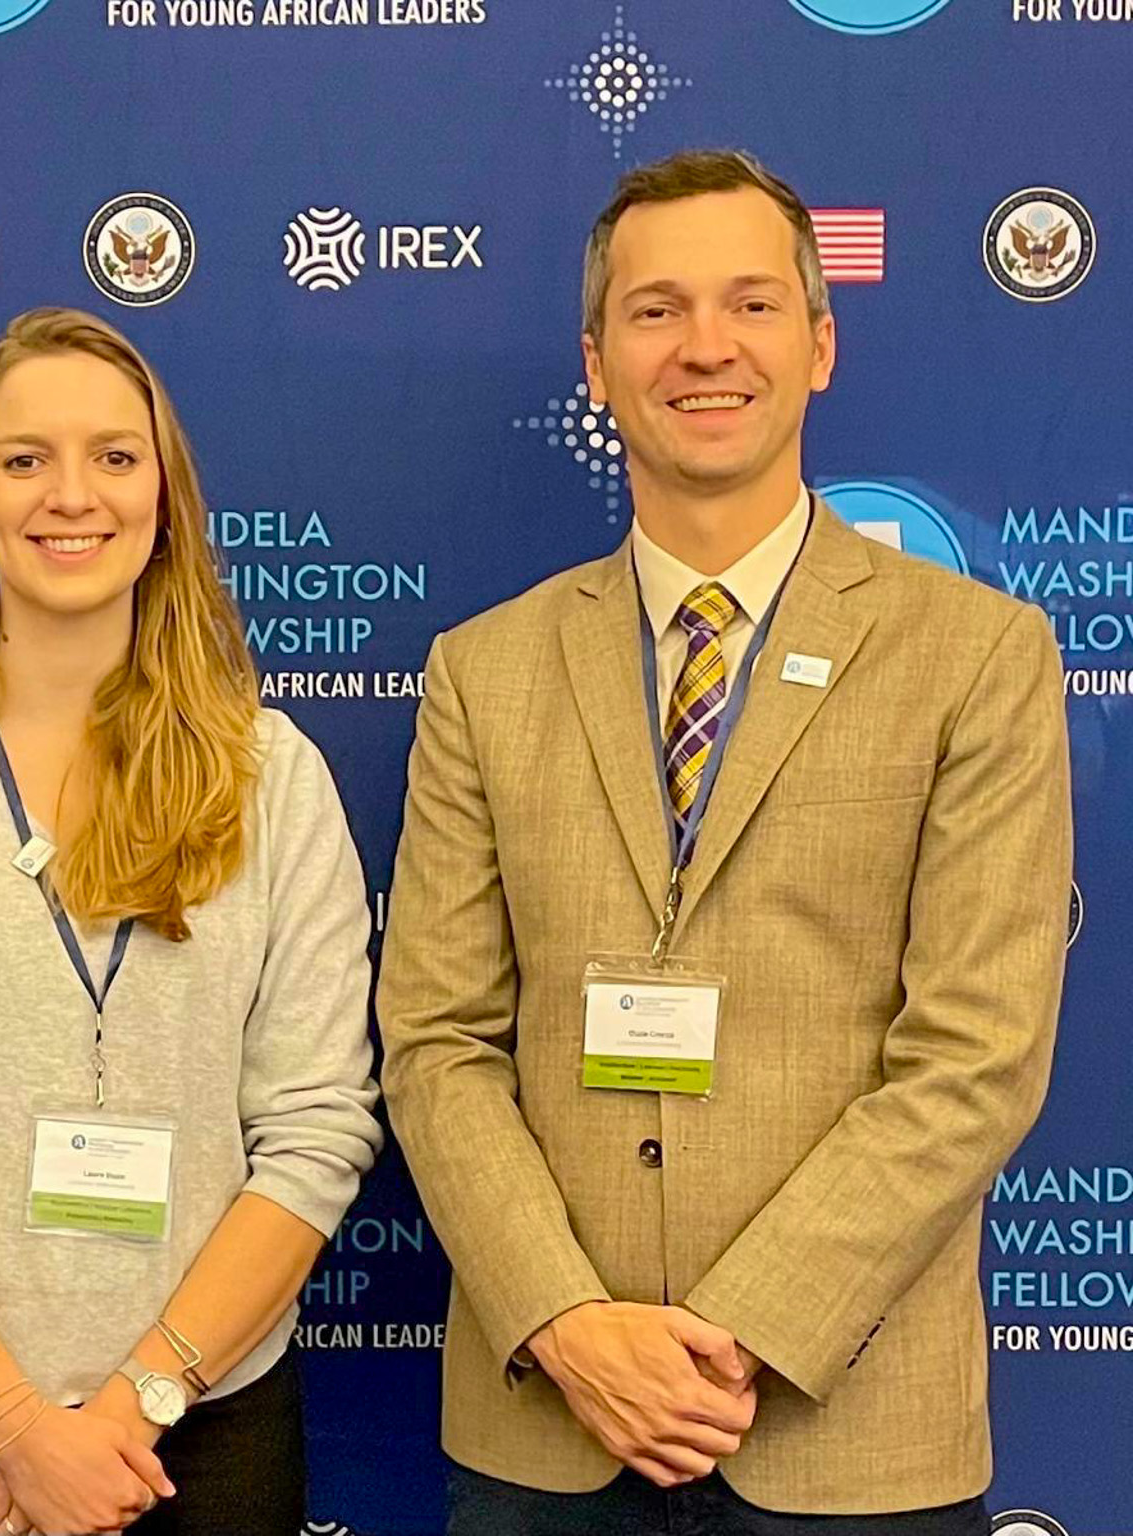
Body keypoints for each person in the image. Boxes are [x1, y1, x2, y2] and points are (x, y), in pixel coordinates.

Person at [378, 150, 1071, 1533]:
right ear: (596, 361)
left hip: (850, 1430)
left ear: (819, 344)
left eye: (752, 306)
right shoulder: (484, 668)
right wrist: (573, 1325)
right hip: (548, 1428)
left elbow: (979, 1054)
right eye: (657, 310)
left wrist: (731, 1338)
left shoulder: (979, 655)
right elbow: (438, 1039)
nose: (706, 347)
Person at [0, 307, 381, 1536]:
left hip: (196, 1433)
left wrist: (135, 1405)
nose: (70, 495)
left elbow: (314, 1128)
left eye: (112, 455)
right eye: (24, 458)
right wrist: (20, 1426)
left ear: (163, 493)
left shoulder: (270, 774)